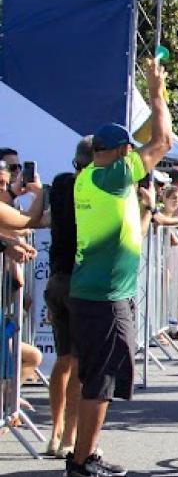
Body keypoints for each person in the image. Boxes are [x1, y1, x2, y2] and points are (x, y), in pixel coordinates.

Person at [66, 58, 172, 477]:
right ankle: (82, 463)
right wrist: (157, 91)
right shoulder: (111, 178)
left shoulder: (88, 177)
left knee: (97, 375)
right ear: (121, 152)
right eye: (130, 148)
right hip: (104, 296)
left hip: (96, 292)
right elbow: (162, 140)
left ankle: (85, 452)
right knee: (101, 380)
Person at [42, 137, 91, 459]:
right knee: (78, 363)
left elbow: (39, 218)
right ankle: (71, 439)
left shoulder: (59, 184)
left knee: (62, 361)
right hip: (80, 281)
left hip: (57, 278)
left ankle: (55, 431)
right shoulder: (95, 190)